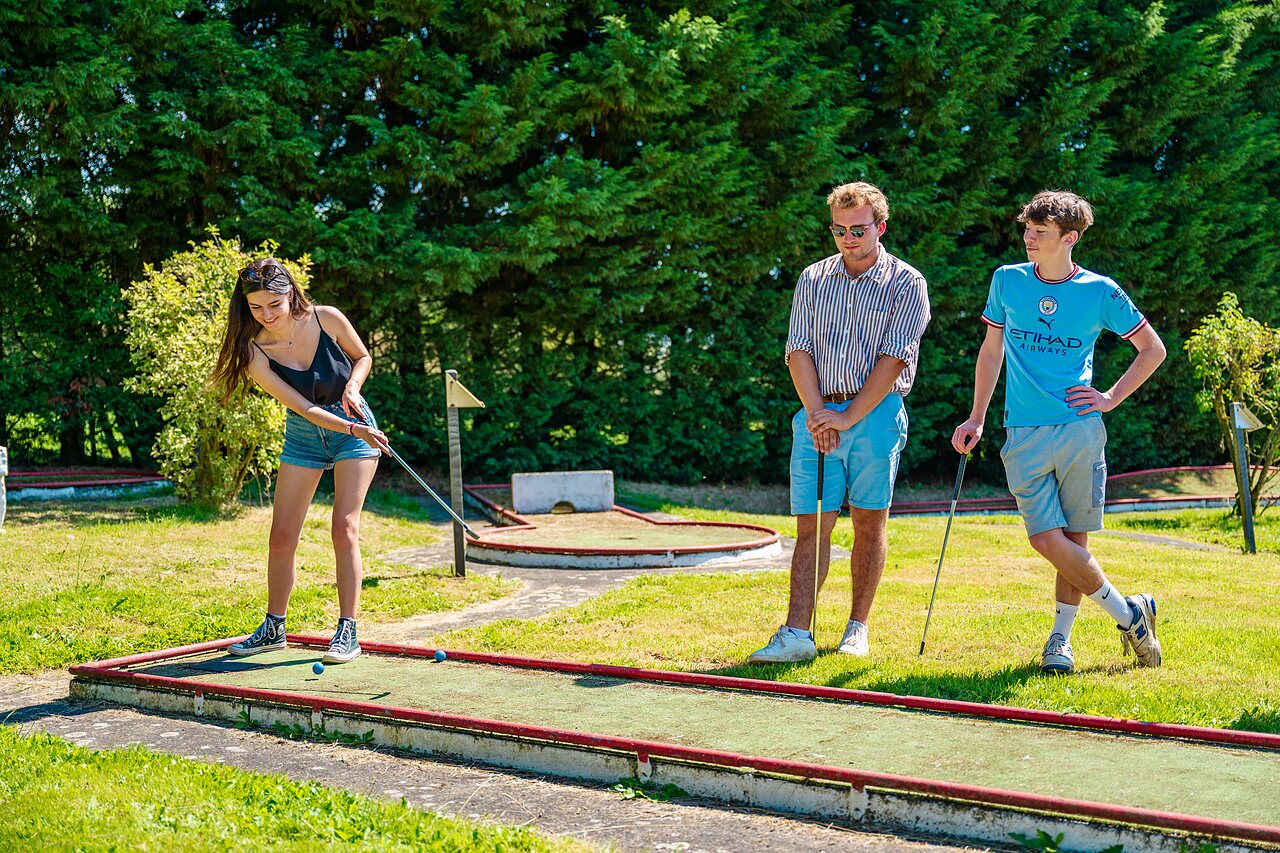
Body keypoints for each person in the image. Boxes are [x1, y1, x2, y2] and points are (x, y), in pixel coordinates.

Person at [951, 190, 1166, 674]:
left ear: (1069, 238)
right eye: (1027, 229)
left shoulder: (1101, 291)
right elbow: (992, 352)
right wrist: (977, 416)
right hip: (1021, 430)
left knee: (1074, 538)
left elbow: (1152, 350)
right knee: (1045, 539)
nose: (1029, 238)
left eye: (1040, 232)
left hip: (1079, 431)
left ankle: (1059, 642)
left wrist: (1109, 398)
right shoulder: (1007, 281)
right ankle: (1131, 614)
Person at [749, 181, 931, 663]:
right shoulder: (813, 278)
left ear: (880, 227)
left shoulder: (907, 282)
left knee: (870, 524)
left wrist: (846, 415)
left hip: (875, 415)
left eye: (859, 228)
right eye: (839, 229)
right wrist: (818, 415)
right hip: (816, 413)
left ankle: (857, 628)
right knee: (812, 527)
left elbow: (894, 359)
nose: (848, 237)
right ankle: (796, 633)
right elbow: (798, 350)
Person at [212, 258, 390, 664]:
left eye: (274, 303)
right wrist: (351, 429)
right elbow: (306, 408)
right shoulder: (254, 351)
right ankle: (275, 627)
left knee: (344, 527)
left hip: (356, 423)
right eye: (256, 308)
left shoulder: (326, 318)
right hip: (309, 434)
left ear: (290, 290)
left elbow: (362, 357)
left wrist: (353, 388)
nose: (267, 315)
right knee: (281, 536)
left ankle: (348, 630)